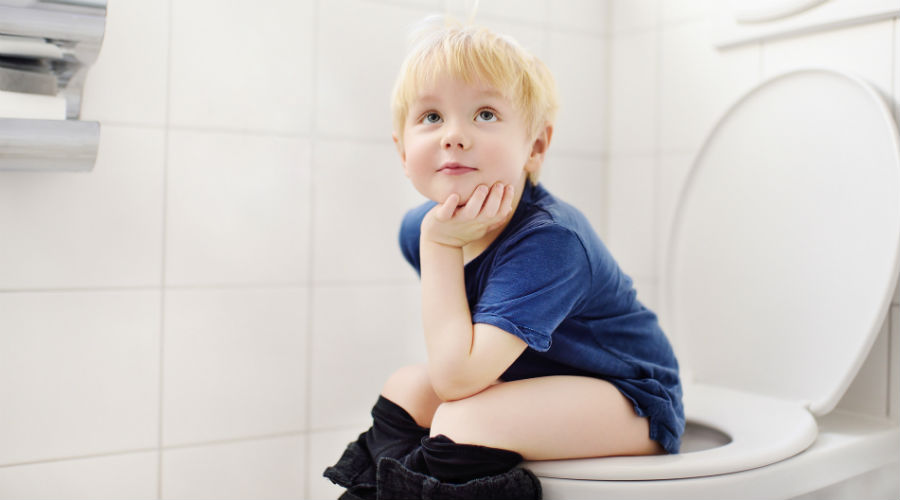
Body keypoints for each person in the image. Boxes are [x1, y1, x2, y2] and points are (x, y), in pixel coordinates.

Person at [325, 17, 684, 500]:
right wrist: (437, 243)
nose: (454, 135)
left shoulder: (549, 242)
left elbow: (458, 378)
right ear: (403, 151)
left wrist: (441, 247)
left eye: (485, 114)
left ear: (535, 146)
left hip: (630, 398)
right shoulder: (420, 228)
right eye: (431, 117)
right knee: (408, 387)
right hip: (528, 381)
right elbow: (459, 351)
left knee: (463, 417)